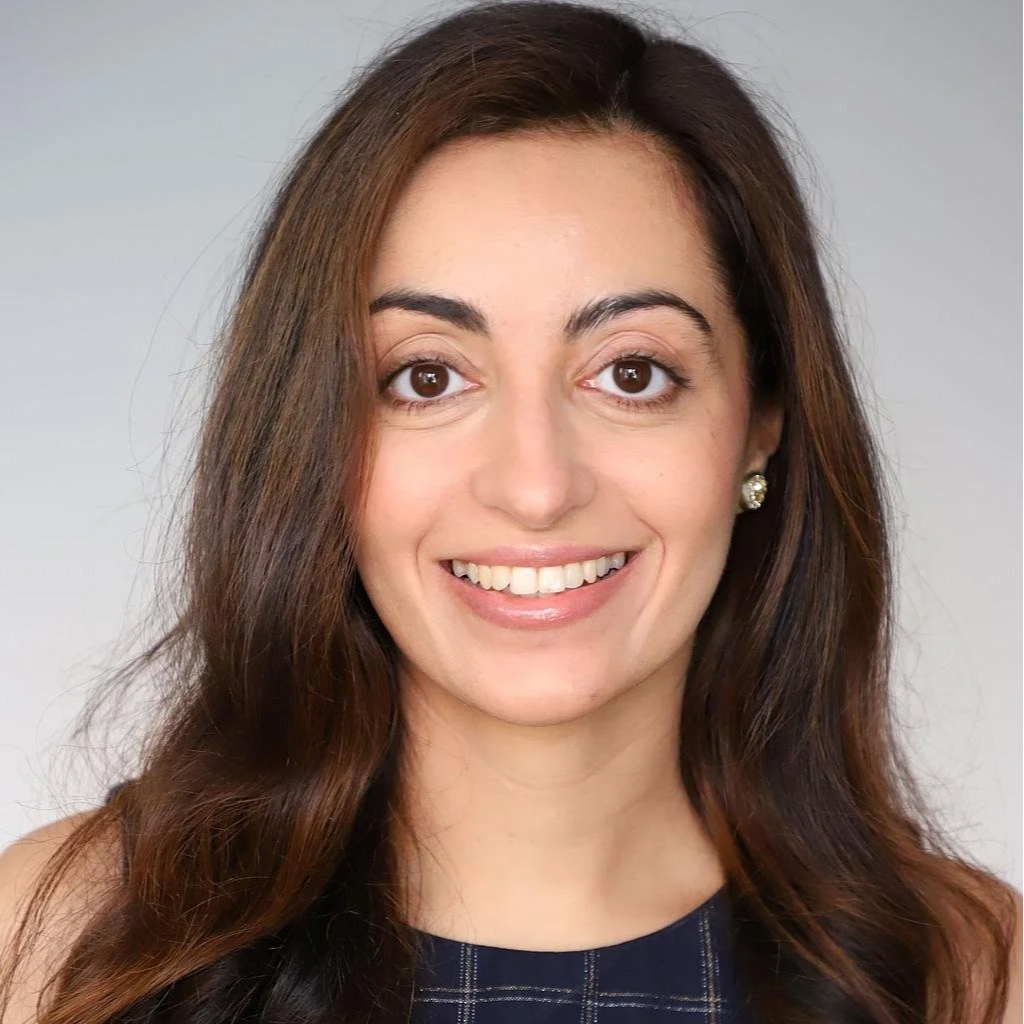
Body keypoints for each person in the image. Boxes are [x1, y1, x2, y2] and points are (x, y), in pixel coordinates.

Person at [0, 2, 1020, 1022]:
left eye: (631, 372)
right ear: (310, 429)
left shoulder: (970, 975)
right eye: (428, 377)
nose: (535, 487)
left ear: (760, 423)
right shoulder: (72, 940)